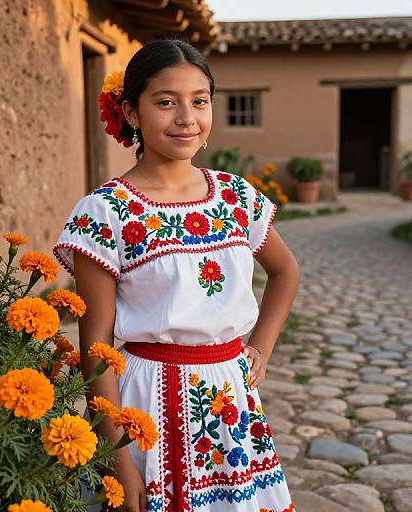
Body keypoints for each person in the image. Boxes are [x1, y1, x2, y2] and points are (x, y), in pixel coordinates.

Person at [53, 39, 299, 512]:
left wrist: (261, 351)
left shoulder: (235, 197)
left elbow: (285, 271)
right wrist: (119, 459)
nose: (186, 117)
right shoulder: (105, 212)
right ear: (130, 112)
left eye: (199, 101)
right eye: (165, 102)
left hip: (230, 400)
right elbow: (96, 347)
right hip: (145, 402)